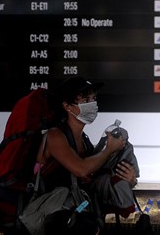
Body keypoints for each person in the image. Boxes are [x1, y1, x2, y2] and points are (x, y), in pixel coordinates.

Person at [32, 76, 137, 234]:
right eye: (85, 100)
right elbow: (81, 169)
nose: (92, 104)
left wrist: (130, 180)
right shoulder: (55, 136)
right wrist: (108, 149)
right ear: (67, 106)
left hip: (75, 213)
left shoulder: (85, 142)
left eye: (93, 99)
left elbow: (93, 182)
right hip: (52, 217)